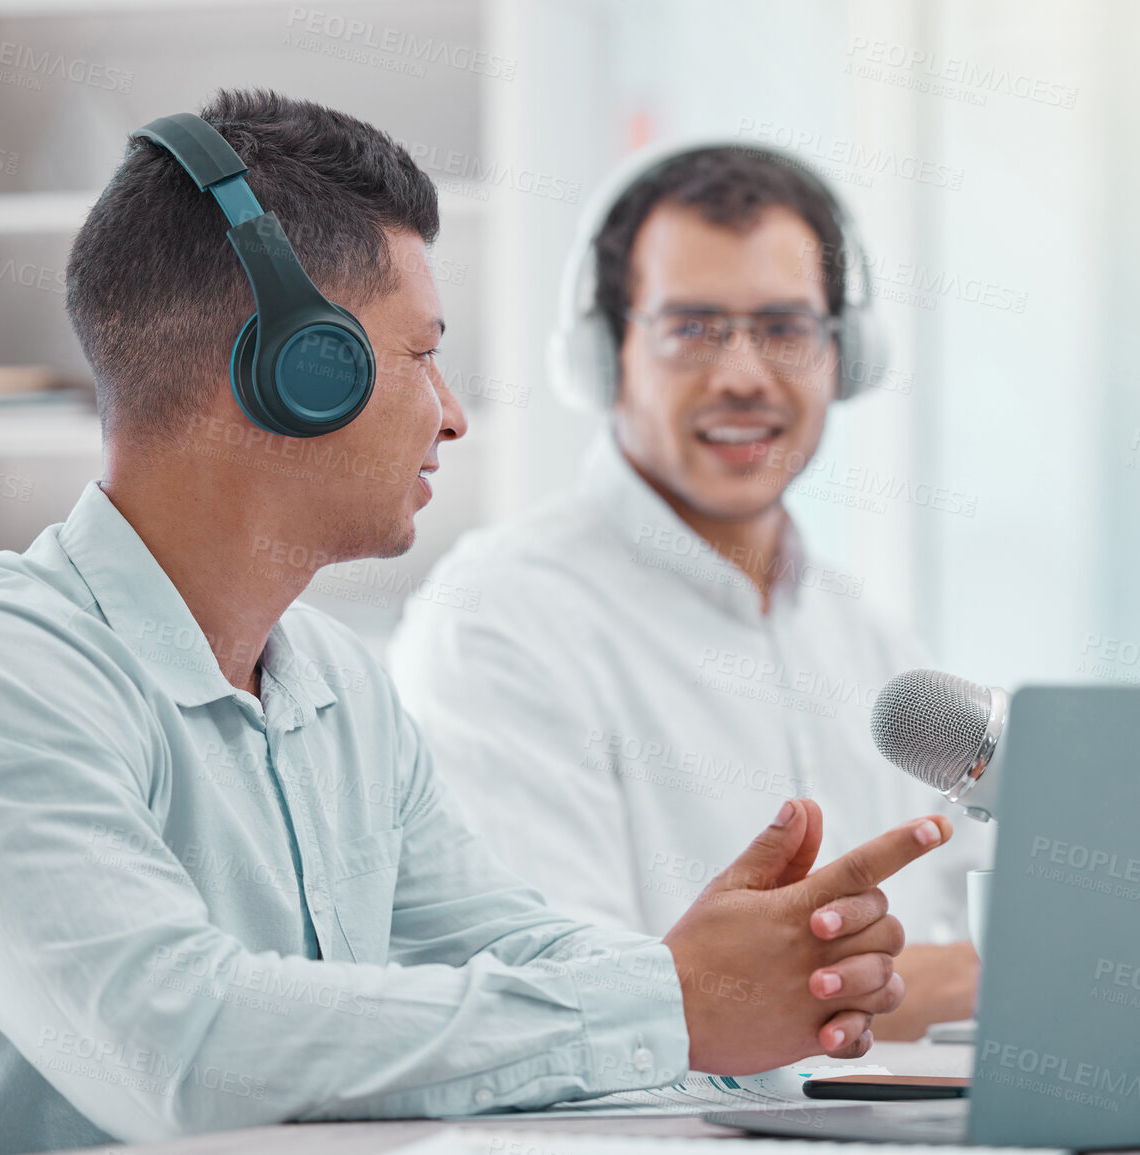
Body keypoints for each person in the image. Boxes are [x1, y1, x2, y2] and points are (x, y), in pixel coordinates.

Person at [0, 93, 953, 1155]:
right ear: (295, 372)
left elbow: (513, 947)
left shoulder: (336, 689)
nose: (452, 412)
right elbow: (183, 1052)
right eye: (419, 355)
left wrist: (759, 979)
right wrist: (672, 1002)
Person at [387, 144, 990, 1042]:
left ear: (845, 355)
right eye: (693, 328)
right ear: (604, 356)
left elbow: (999, 934)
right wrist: (962, 983)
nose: (744, 373)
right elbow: (573, 1002)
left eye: (786, 327)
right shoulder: (495, 621)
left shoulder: (873, 641)